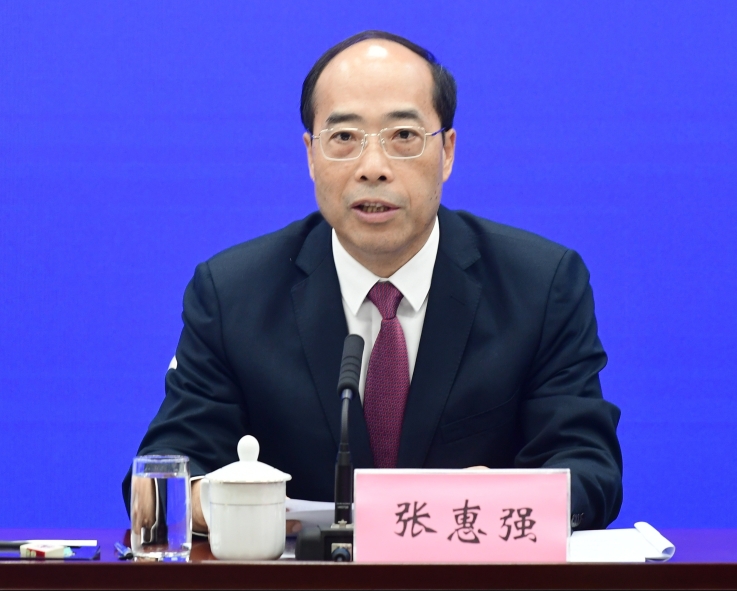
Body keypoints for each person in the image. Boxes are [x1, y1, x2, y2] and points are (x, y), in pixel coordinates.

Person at [123, 31, 622, 534]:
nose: (373, 168)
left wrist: (506, 499)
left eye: (403, 136)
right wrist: (212, 505)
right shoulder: (233, 294)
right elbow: (161, 476)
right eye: (344, 138)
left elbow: (589, 468)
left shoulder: (540, 286)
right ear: (311, 155)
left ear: (447, 152)